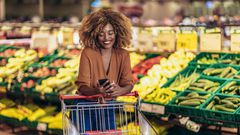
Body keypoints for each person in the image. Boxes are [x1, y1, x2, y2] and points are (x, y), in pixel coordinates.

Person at [71, 8, 134, 133]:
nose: (106, 38)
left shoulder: (123, 55)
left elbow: (128, 84)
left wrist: (120, 90)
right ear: (94, 34)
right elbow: (82, 87)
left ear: (117, 32)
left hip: (108, 107)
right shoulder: (88, 53)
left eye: (110, 33)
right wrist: (97, 91)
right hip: (84, 108)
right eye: (101, 33)